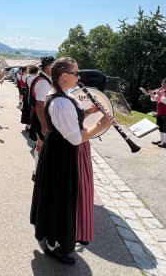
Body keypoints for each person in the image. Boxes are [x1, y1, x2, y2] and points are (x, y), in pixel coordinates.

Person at [30, 57, 113, 265]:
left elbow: (71, 118)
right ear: (64, 76)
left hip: (61, 152)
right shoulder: (59, 101)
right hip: (63, 155)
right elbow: (75, 137)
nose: (79, 77)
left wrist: (89, 111)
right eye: (76, 73)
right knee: (62, 197)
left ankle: (54, 238)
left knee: (60, 196)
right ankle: (54, 244)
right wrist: (102, 125)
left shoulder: (64, 95)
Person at [29, 56, 54, 179]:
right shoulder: (43, 82)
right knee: (42, 144)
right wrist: (44, 125)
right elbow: (40, 105)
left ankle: (37, 169)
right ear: (49, 67)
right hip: (40, 116)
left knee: (40, 144)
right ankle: (39, 171)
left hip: (38, 115)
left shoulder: (41, 79)